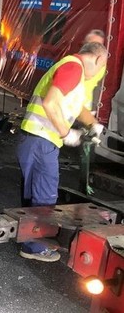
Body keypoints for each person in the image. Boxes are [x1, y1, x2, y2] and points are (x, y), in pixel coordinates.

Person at [16, 41, 108, 262]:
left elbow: (76, 107)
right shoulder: (73, 68)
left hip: (35, 139)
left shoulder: (72, 71)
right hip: (42, 140)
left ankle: (29, 241)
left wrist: (92, 124)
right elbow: (50, 103)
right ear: (97, 59)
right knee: (44, 196)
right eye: (102, 67)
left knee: (33, 194)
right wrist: (66, 133)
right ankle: (35, 248)